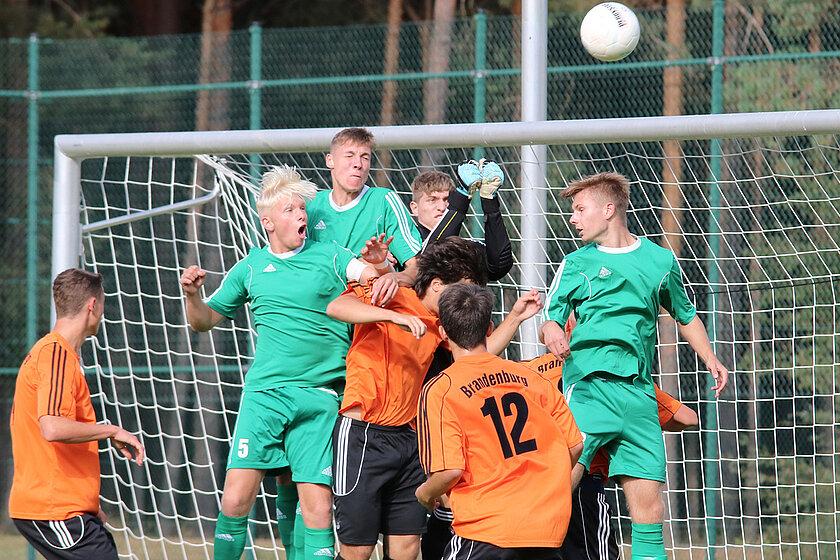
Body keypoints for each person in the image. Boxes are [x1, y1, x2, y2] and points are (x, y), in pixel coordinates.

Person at [179, 165, 393, 560]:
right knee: (235, 502)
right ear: (268, 222)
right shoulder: (251, 267)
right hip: (264, 396)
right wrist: (193, 296)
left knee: (317, 510)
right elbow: (203, 321)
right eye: (292, 209)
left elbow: (369, 273)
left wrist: (380, 265)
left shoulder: (329, 255)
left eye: (302, 209)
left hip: (320, 398)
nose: (301, 216)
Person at [539, 172, 729, 560]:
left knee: (650, 511)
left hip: (639, 394)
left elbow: (686, 314)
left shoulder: (659, 261)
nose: (572, 219)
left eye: (579, 209)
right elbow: (549, 316)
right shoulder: (576, 263)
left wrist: (710, 357)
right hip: (589, 387)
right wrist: (554, 332)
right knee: (557, 489)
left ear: (609, 210)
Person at [326, 237, 543, 560]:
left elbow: (476, 355)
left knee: (406, 548)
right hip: (363, 435)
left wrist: (514, 318)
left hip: (410, 439)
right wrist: (392, 316)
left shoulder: (441, 322)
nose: (467, 298)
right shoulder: (392, 295)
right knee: (358, 549)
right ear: (439, 285)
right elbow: (335, 307)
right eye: (463, 289)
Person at [416, 283, 584, 560]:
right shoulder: (533, 378)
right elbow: (575, 446)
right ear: (490, 329)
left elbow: (450, 471)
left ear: (443, 333)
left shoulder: (442, 388)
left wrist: (424, 493)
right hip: (547, 527)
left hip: (488, 529)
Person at [9, 267, 145, 560]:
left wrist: (89, 505)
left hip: (64, 507)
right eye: (104, 305)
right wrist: (111, 430)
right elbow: (52, 428)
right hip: (54, 509)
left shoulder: (58, 355)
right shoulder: (55, 354)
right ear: (92, 306)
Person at [524, 352, 699, 560]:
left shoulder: (528, 369)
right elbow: (688, 418)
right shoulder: (615, 373)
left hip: (533, 486)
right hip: (583, 488)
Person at [307, 127, 423, 283]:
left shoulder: (383, 201)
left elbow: (416, 268)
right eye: (349, 155)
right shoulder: (311, 205)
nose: (358, 164)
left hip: (370, 300)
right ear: (330, 160)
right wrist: (358, 264)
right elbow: (297, 262)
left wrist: (387, 273)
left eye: (365, 157)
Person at [410, 159, 512, 282]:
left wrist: (490, 202)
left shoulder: (461, 246)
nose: (442, 207)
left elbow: (499, 266)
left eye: (447, 200)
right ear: (414, 208)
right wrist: (462, 196)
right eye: (432, 200)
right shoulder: (403, 242)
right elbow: (430, 259)